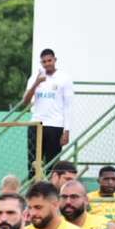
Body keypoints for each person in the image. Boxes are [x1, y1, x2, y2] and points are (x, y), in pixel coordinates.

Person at [20, 48, 74, 178]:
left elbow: (68, 106)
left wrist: (66, 130)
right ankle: (33, 192)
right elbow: (25, 102)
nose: (47, 64)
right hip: (36, 124)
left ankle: (51, 192)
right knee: (33, 163)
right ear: (41, 63)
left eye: (49, 60)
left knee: (53, 164)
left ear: (54, 60)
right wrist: (37, 83)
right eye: (44, 62)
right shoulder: (35, 77)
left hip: (55, 125)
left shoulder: (64, 78)